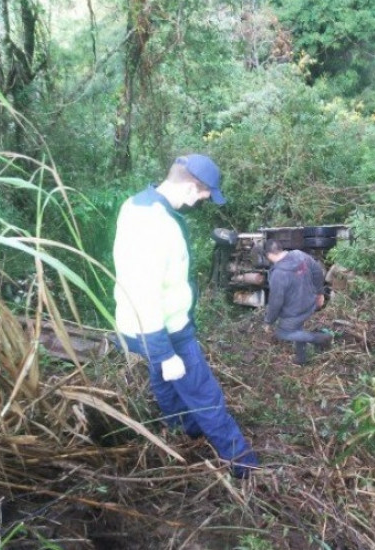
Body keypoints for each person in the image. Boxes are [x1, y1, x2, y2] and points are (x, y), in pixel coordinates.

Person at [113, 154, 258, 478]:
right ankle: (245, 465)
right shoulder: (156, 224)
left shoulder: (136, 204)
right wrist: (164, 352)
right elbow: (144, 291)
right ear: (193, 188)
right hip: (162, 329)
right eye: (207, 194)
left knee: (165, 382)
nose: (206, 200)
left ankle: (184, 431)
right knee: (205, 394)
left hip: (138, 326)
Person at [263, 239, 332, 365]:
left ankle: (320, 338)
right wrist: (320, 293)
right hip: (310, 303)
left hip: (295, 312)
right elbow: (317, 271)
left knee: (283, 333)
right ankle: (301, 359)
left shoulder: (278, 274)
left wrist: (269, 321)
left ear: (269, 255)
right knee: (297, 329)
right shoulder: (299, 255)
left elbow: (276, 302)